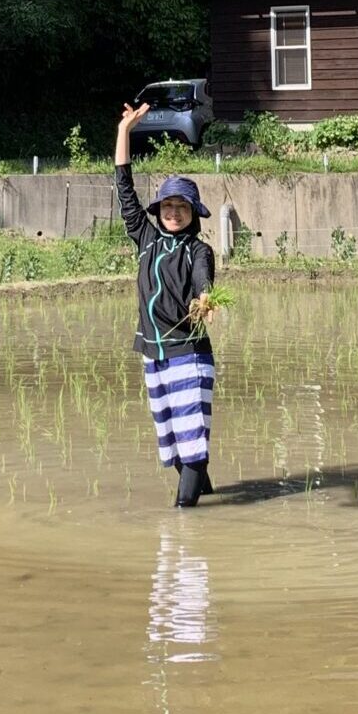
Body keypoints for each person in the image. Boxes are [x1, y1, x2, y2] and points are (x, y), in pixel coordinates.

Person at [115, 103, 217, 507]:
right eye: (168, 206)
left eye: (182, 207)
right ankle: (205, 493)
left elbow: (202, 283)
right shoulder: (146, 238)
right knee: (174, 441)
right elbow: (124, 187)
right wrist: (125, 130)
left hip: (188, 355)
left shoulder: (199, 249)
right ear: (159, 211)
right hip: (152, 354)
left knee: (192, 445)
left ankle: (184, 518)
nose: (174, 213)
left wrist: (205, 299)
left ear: (192, 214)